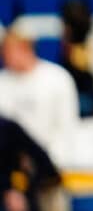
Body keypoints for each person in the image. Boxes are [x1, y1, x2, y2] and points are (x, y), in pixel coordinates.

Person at [0, 25, 79, 170]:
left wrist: (49, 162)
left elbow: (67, 129)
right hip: (10, 166)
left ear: (25, 47)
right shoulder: (2, 81)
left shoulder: (58, 78)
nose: (3, 56)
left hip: (52, 164)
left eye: (6, 50)